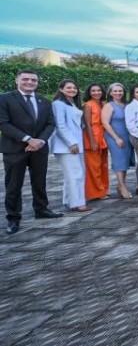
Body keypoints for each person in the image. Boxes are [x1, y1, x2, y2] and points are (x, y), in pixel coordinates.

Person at [1, 70, 62, 235]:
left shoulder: (44, 101)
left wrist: (40, 141)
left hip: (39, 148)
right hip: (15, 149)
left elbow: (50, 124)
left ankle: (41, 209)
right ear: (17, 80)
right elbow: (4, 123)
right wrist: (28, 139)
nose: (29, 82)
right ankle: (13, 218)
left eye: (33, 80)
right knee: (14, 184)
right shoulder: (5, 98)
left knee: (39, 181)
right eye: (25, 79)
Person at [49, 80, 90, 212]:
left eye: (74, 88)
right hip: (66, 145)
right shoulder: (58, 104)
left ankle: (69, 201)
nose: (72, 90)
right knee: (76, 174)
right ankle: (78, 203)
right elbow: (60, 125)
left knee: (73, 175)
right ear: (61, 89)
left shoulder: (73, 104)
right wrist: (71, 142)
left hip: (78, 143)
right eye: (69, 88)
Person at [101, 82, 133, 199]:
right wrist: (116, 138)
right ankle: (122, 187)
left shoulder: (126, 104)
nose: (118, 93)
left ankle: (121, 186)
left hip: (126, 136)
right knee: (119, 161)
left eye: (120, 91)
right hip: (114, 136)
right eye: (115, 91)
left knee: (124, 162)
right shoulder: (109, 106)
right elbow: (105, 123)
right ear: (110, 93)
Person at [82, 83, 109, 201]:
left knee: (103, 165)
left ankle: (102, 190)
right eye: (93, 91)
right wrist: (92, 140)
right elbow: (87, 123)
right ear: (89, 92)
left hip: (102, 135)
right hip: (92, 135)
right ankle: (94, 193)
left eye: (98, 90)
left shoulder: (103, 104)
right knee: (94, 167)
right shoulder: (88, 105)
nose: (96, 93)